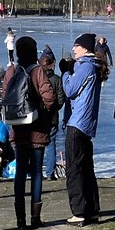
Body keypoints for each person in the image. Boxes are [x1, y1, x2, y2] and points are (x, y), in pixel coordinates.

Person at [1, 36, 57, 228]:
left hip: (18, 129)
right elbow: (49, 98)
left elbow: (4, 96)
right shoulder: (37, 71)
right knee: (37, 173)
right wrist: (42, 111)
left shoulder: (11, 71)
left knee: (20, 174)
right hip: (37, 129)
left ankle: (20, 218)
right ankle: (35, 217)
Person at [62, 33, 106, 224]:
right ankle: (92, 209)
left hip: (77, 123)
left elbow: (70, 90)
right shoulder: (92, 66)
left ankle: (79, 211)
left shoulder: (86, 66)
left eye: (76, 46)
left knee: (74, 169)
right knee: (87, 169)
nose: (73, 49)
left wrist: (65, 73)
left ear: (85, 48)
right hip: (86, 124)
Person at [40, 50, 66, 179]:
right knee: (51, 144)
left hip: (39, 117)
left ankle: (37, 172)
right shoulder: (57, 79)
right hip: (52, 117)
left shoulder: (37, 78)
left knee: (38, 145)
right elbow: (61, 99)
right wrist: (55, 108)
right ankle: (50, 173)